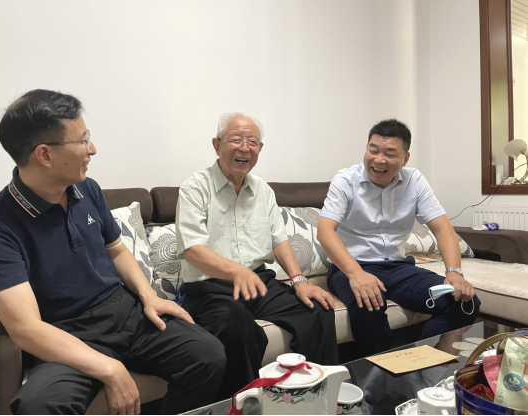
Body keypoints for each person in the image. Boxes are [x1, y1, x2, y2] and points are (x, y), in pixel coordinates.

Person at [0, 90, 226, 415]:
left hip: (124, 313)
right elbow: (26, 329)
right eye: (82, 140)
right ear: (45, 155)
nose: (92, 149)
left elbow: (117, 250)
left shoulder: (87, 189)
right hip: (65, 332)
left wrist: (149, 296)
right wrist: (110, 368)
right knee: (39, 405)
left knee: (208, 354)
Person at [175, 112, 339, 399]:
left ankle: (315, 398)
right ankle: (245, 405)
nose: (245, 148)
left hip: (257, 283)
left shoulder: (263, 190)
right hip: (209, 288)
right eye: (236, 140)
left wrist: (299, 280)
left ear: (260, 149)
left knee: (316, 309)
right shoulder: (195, 188)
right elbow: (193, 250)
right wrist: (236, 271)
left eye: (252, 142)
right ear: (217, 145)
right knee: (235, 322)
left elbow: (279, 240)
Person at [317, 119, 481, 356]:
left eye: (390, 153)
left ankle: (416, 363)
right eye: (373, 150)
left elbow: (443, 228)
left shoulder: (415, 181)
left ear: (405, 158)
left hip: (397, 268)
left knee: (464, 302)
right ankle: (379, 374)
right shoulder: (346, 180)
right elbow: (325, 231)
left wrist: (454, 272)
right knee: (369, 304)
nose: (379, 160)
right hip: (350, 267)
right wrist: (356, 274)